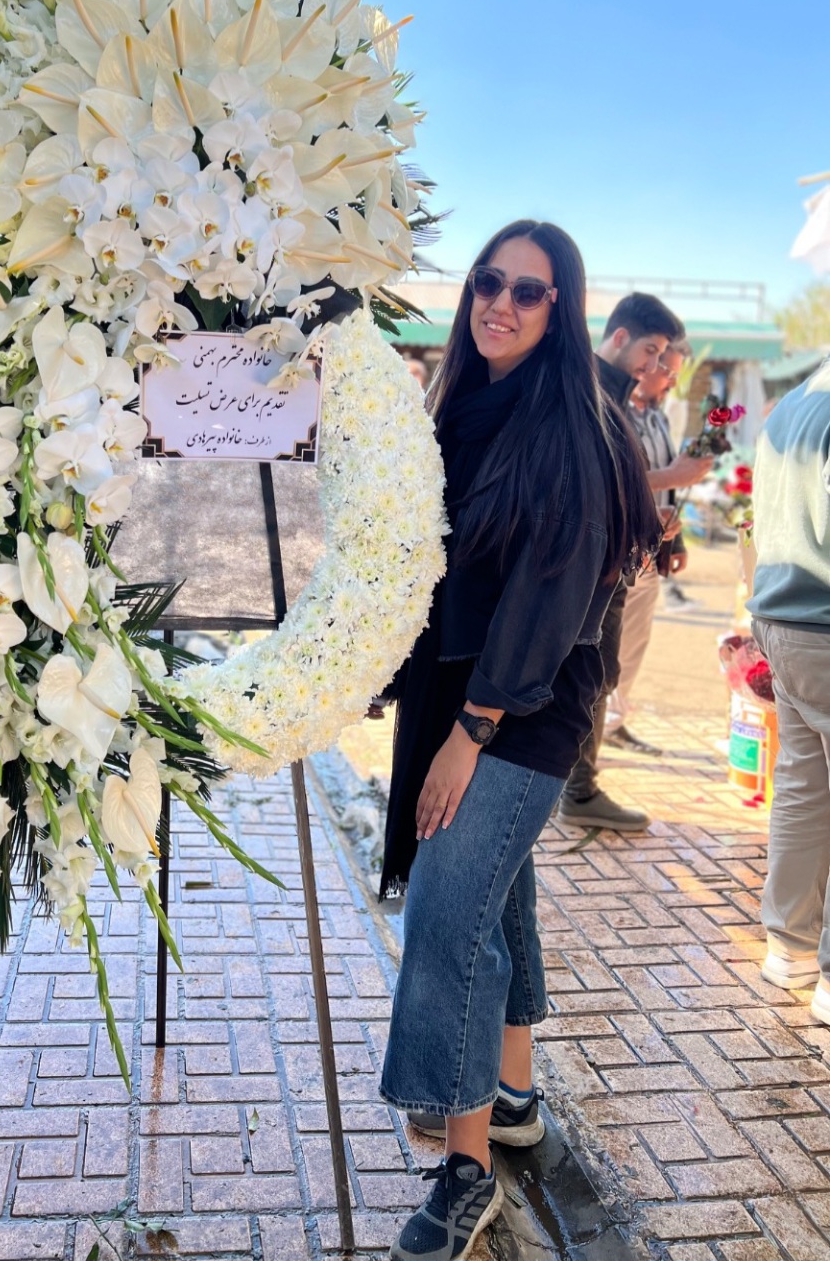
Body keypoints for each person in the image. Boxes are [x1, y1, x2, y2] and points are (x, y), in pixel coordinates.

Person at [378, 222, 660, 1260]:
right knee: (496, 898)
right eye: (488, 281)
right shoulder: (461, 405)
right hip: (462, 693)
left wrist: (470, 731)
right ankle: (513, 1098)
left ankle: (466, 1172)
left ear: (560, 309)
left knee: (448, 915)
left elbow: (550, 594)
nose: (500, 302)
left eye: (527, 291)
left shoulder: (569, 423)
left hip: (520, 708)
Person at [556, 293, 686, 831]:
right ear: (619, 337)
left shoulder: (611, 391)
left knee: (599, 675)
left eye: (661, 357)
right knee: (587, 676)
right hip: (589, 567)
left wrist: (651, 522)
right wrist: (667, 486)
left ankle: (574, 786)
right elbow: (591, 488)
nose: (654, 366)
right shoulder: (587, 390)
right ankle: (576, 789)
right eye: (651, 351)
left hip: (609, 563)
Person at [749, 356, 830, 1024]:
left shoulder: (796, 402)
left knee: (804, 784)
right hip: (824, 620)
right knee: (803, 783)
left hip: (781, 618)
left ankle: (790, 946)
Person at [605, 343, 714, 754]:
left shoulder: (657, 417)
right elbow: (617, 481)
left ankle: (613, 722)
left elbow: (666, 488)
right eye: (666, 369)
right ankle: (587, 746)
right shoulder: (615, 412)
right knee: (606, 652)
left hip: (652, 554)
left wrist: (676, 539)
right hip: (620, 553)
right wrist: (675, 475)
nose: (670, 379)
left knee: (634, 645)